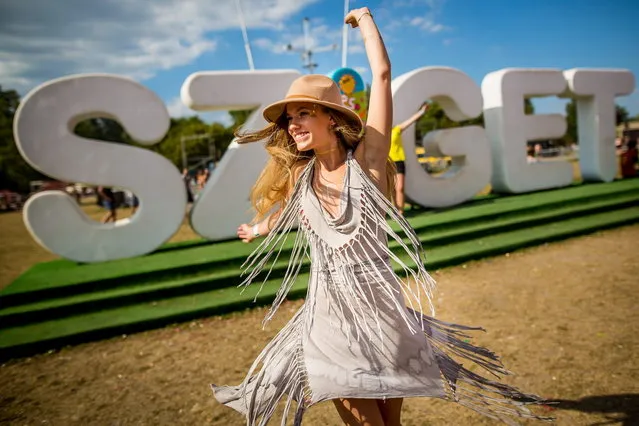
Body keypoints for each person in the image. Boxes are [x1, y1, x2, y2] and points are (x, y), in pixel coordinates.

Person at [215, 7, 549, 426]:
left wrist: (365, 21)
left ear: (332, 119)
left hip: (383, 312)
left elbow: (384, 74)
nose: (293, 124)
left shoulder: (369, 160)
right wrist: (256, 228)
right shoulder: (301, 173)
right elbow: (287, 215)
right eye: (290, 118)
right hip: (329, 317)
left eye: (304, 113)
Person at [389, 103, 428, 214]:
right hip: (387, 163)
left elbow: (410, 121)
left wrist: (422, 112)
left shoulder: (397, 129)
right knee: (392, 190)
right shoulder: (381, 134)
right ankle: (395, 210)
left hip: (399, 161)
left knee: (400, 187)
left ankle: (401, 213)